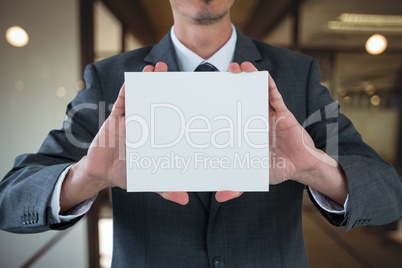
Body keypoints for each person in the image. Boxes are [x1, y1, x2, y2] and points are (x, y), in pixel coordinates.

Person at [1, 0, 401, 267]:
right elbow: (11, 201)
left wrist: (315, 169)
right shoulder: (109, 81)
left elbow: (390, 197)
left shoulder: (298, 75)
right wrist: (86, 177)